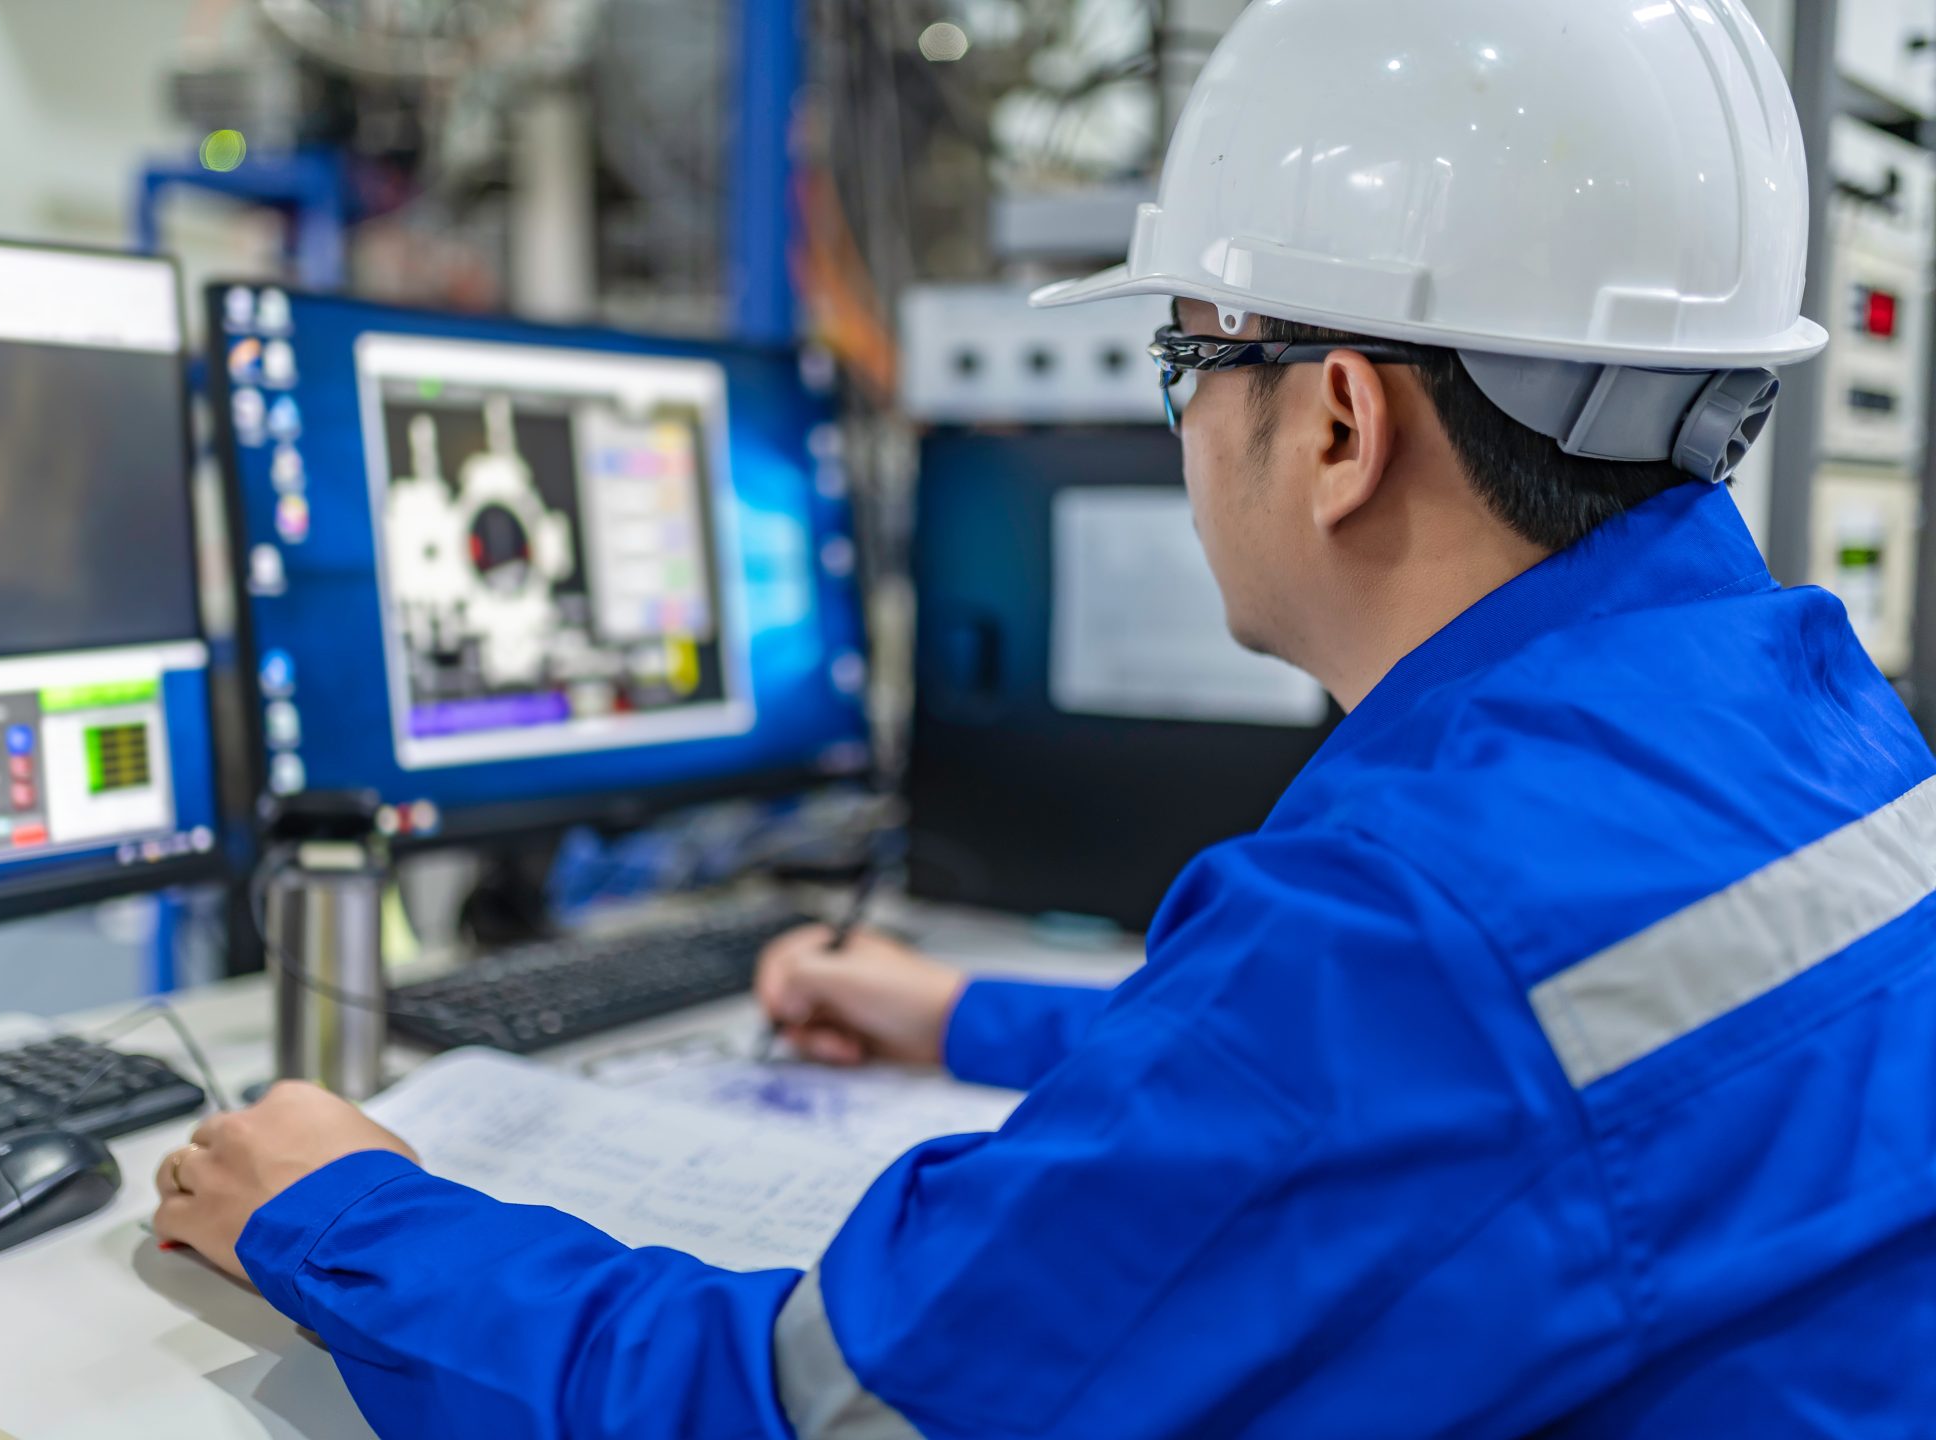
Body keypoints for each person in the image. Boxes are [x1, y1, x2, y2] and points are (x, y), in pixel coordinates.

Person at [154, 2, 1936, 1435]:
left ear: (1335, 426)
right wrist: (966, 1016)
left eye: (1185, 362)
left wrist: (337, 1210)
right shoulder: (1807, 718)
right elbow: (1449, 1103)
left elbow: (812, 1410)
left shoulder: (1408, 919)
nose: (1180, 427)